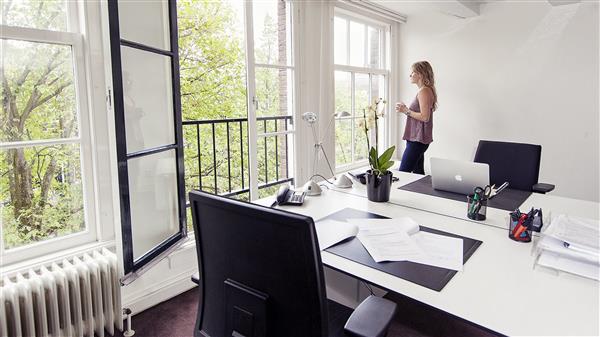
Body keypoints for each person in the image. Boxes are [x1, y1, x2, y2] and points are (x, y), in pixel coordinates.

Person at [395, 61, 438, 174]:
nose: (410, 75)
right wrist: (405, 110)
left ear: (421, 74)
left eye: (413, 72)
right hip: (416, 138)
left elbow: (425, 117)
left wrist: (406, 110)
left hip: (418, 140)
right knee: (418, 174)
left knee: (403, 172)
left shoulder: (424, 91)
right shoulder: (424, 91)